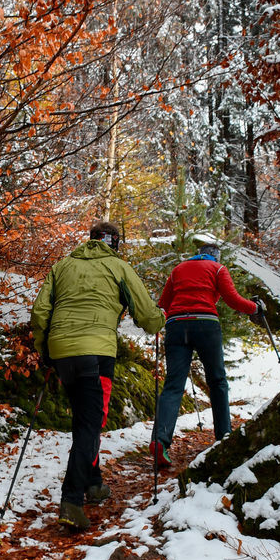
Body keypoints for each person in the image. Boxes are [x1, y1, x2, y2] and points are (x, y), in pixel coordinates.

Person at [31, 221, 165, 530]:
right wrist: (159, 321)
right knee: (91, 425)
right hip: (97, 354)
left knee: (84, 420)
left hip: (62, 351)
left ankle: (93, 484)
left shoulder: (62, 265)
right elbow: (146, 315)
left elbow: (40, 312)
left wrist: (45, 350)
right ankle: (72, 501)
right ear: (114, 243)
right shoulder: (118, 266)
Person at [150, 233, 265, 469]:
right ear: (214, 255)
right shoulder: (218, 269)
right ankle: (224, 437)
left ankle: (160, 441)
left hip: (176, 325)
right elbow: (233, 299)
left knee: (173, 385)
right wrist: (256, 308)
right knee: (217, 381)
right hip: (205, 324)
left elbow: (163, 304)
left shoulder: (178, 270)